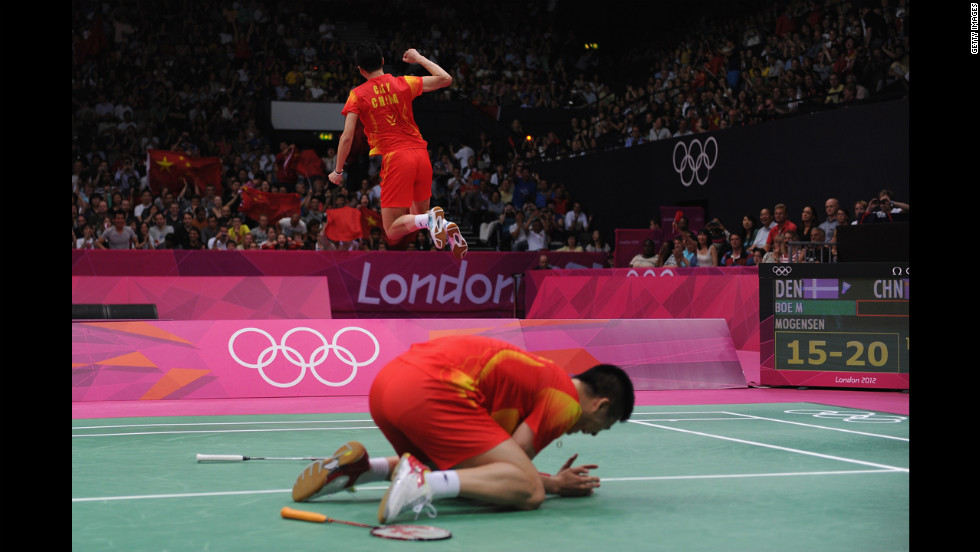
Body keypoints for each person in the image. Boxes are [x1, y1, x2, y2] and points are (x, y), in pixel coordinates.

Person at [291, 335, 635, 524]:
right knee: (530, 493)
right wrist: (555, 485)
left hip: (387, 385)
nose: (591, 433)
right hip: (432, 388)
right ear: (600, 405)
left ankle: (363, 468)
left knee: (459, 471)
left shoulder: (539, 376)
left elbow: (477, 466)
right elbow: (513, 478)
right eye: (602, 427)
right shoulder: (565, 401)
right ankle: (421, 485)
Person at [328, 43, 467, 259]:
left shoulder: (357, 95)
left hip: (397, 159)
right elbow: (445, 78)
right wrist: (419, 58)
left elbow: (346, 137)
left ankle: (432, 219)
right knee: (416, 218)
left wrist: (337, 172)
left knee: (392, 229)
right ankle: (444, 225)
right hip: (421, 155)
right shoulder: (402, 83)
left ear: (360, 69)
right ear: (383, 61)